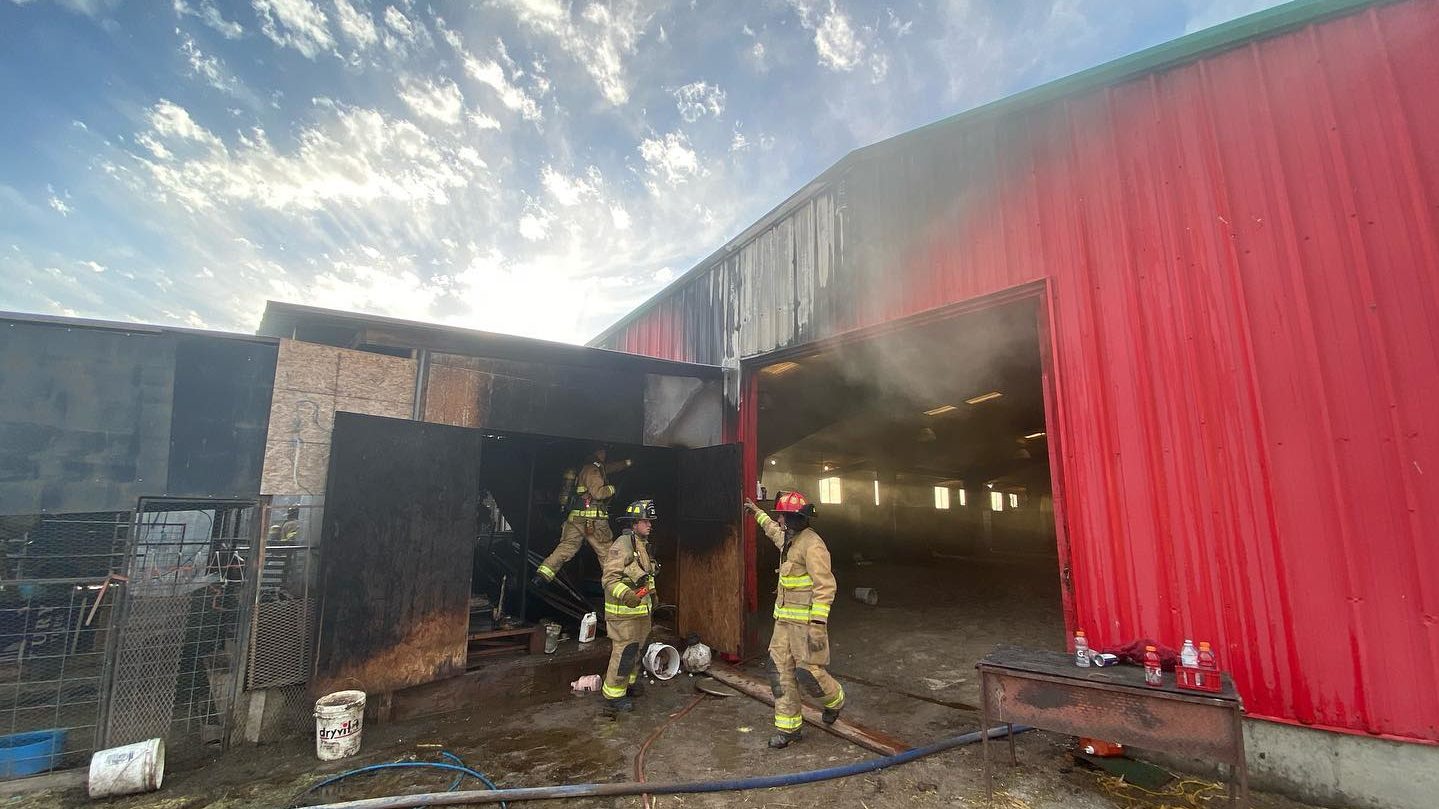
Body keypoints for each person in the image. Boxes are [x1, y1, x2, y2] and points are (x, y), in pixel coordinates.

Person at [744, 491, 845, 748]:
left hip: (805, 626)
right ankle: (788, 728)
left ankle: (835, 700)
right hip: (783, 624)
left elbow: (825, 586)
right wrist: (757, 513)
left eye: (782, 516)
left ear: (793, 519)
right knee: (779, 672)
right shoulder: (790, 540)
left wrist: (818, 624)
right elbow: (773, 531)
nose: (779, 520)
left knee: (808, 673)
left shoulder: (813, 545)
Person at [533, 447, 632, 586]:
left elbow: (611, 468)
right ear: (598, 452)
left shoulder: (585, 468)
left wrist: (628, 462)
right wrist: (611, 489)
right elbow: (598, 493)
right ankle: (616, 584)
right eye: (603, 451)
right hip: (593, 521)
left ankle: (542, 576)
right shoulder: (594, 470)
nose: (605, 454)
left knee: (565, 548)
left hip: (575, 520)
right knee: (606, 552)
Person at [600, 499, 659, 714]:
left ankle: (629, 684)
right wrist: (626, 595)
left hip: (641, 613)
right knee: (624, 652)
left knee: (637, 650)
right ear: (634, 523)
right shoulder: (622, 545)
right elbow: (609, 579)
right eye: (645, 521)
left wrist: (653, 598)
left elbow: (646, 577)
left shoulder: (641, 544)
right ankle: (614, 695)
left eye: (650, 521)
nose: (649, 525)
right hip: (623, 615)